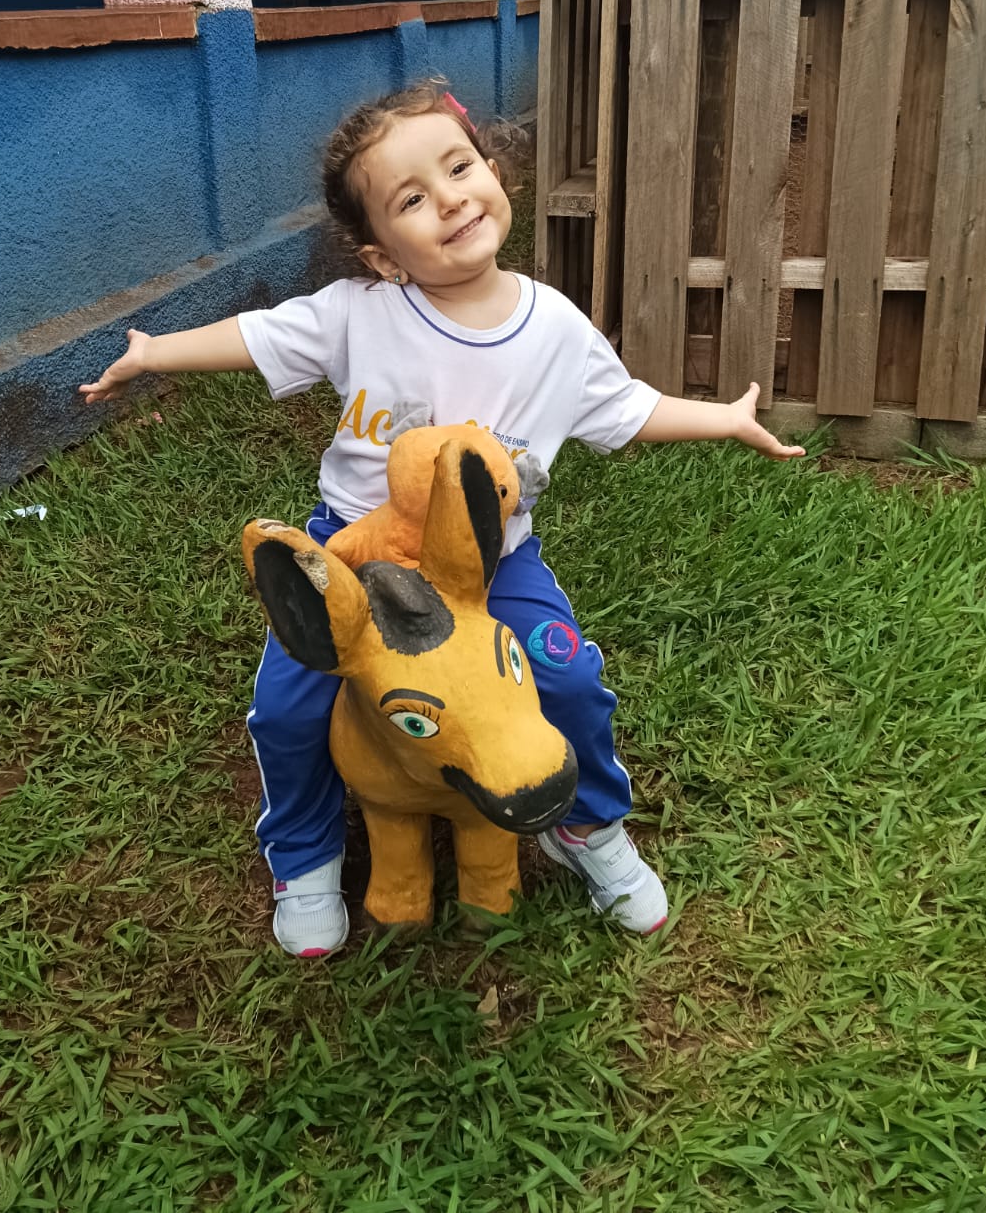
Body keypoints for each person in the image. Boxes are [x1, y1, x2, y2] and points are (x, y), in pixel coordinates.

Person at [80, 81, 804, 958]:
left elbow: (625, 408)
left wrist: (723, 418)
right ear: (383, 255)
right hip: (358, 550)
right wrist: (154, 351)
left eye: (459, 168)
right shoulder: (359, 314)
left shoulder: (556, 329)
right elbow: (261, 336)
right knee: (289, 705)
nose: (451, 198)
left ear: (496, 173)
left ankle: (584, 823)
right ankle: (305, 854)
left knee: (567, 678)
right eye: (412, 199)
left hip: (496, 561)